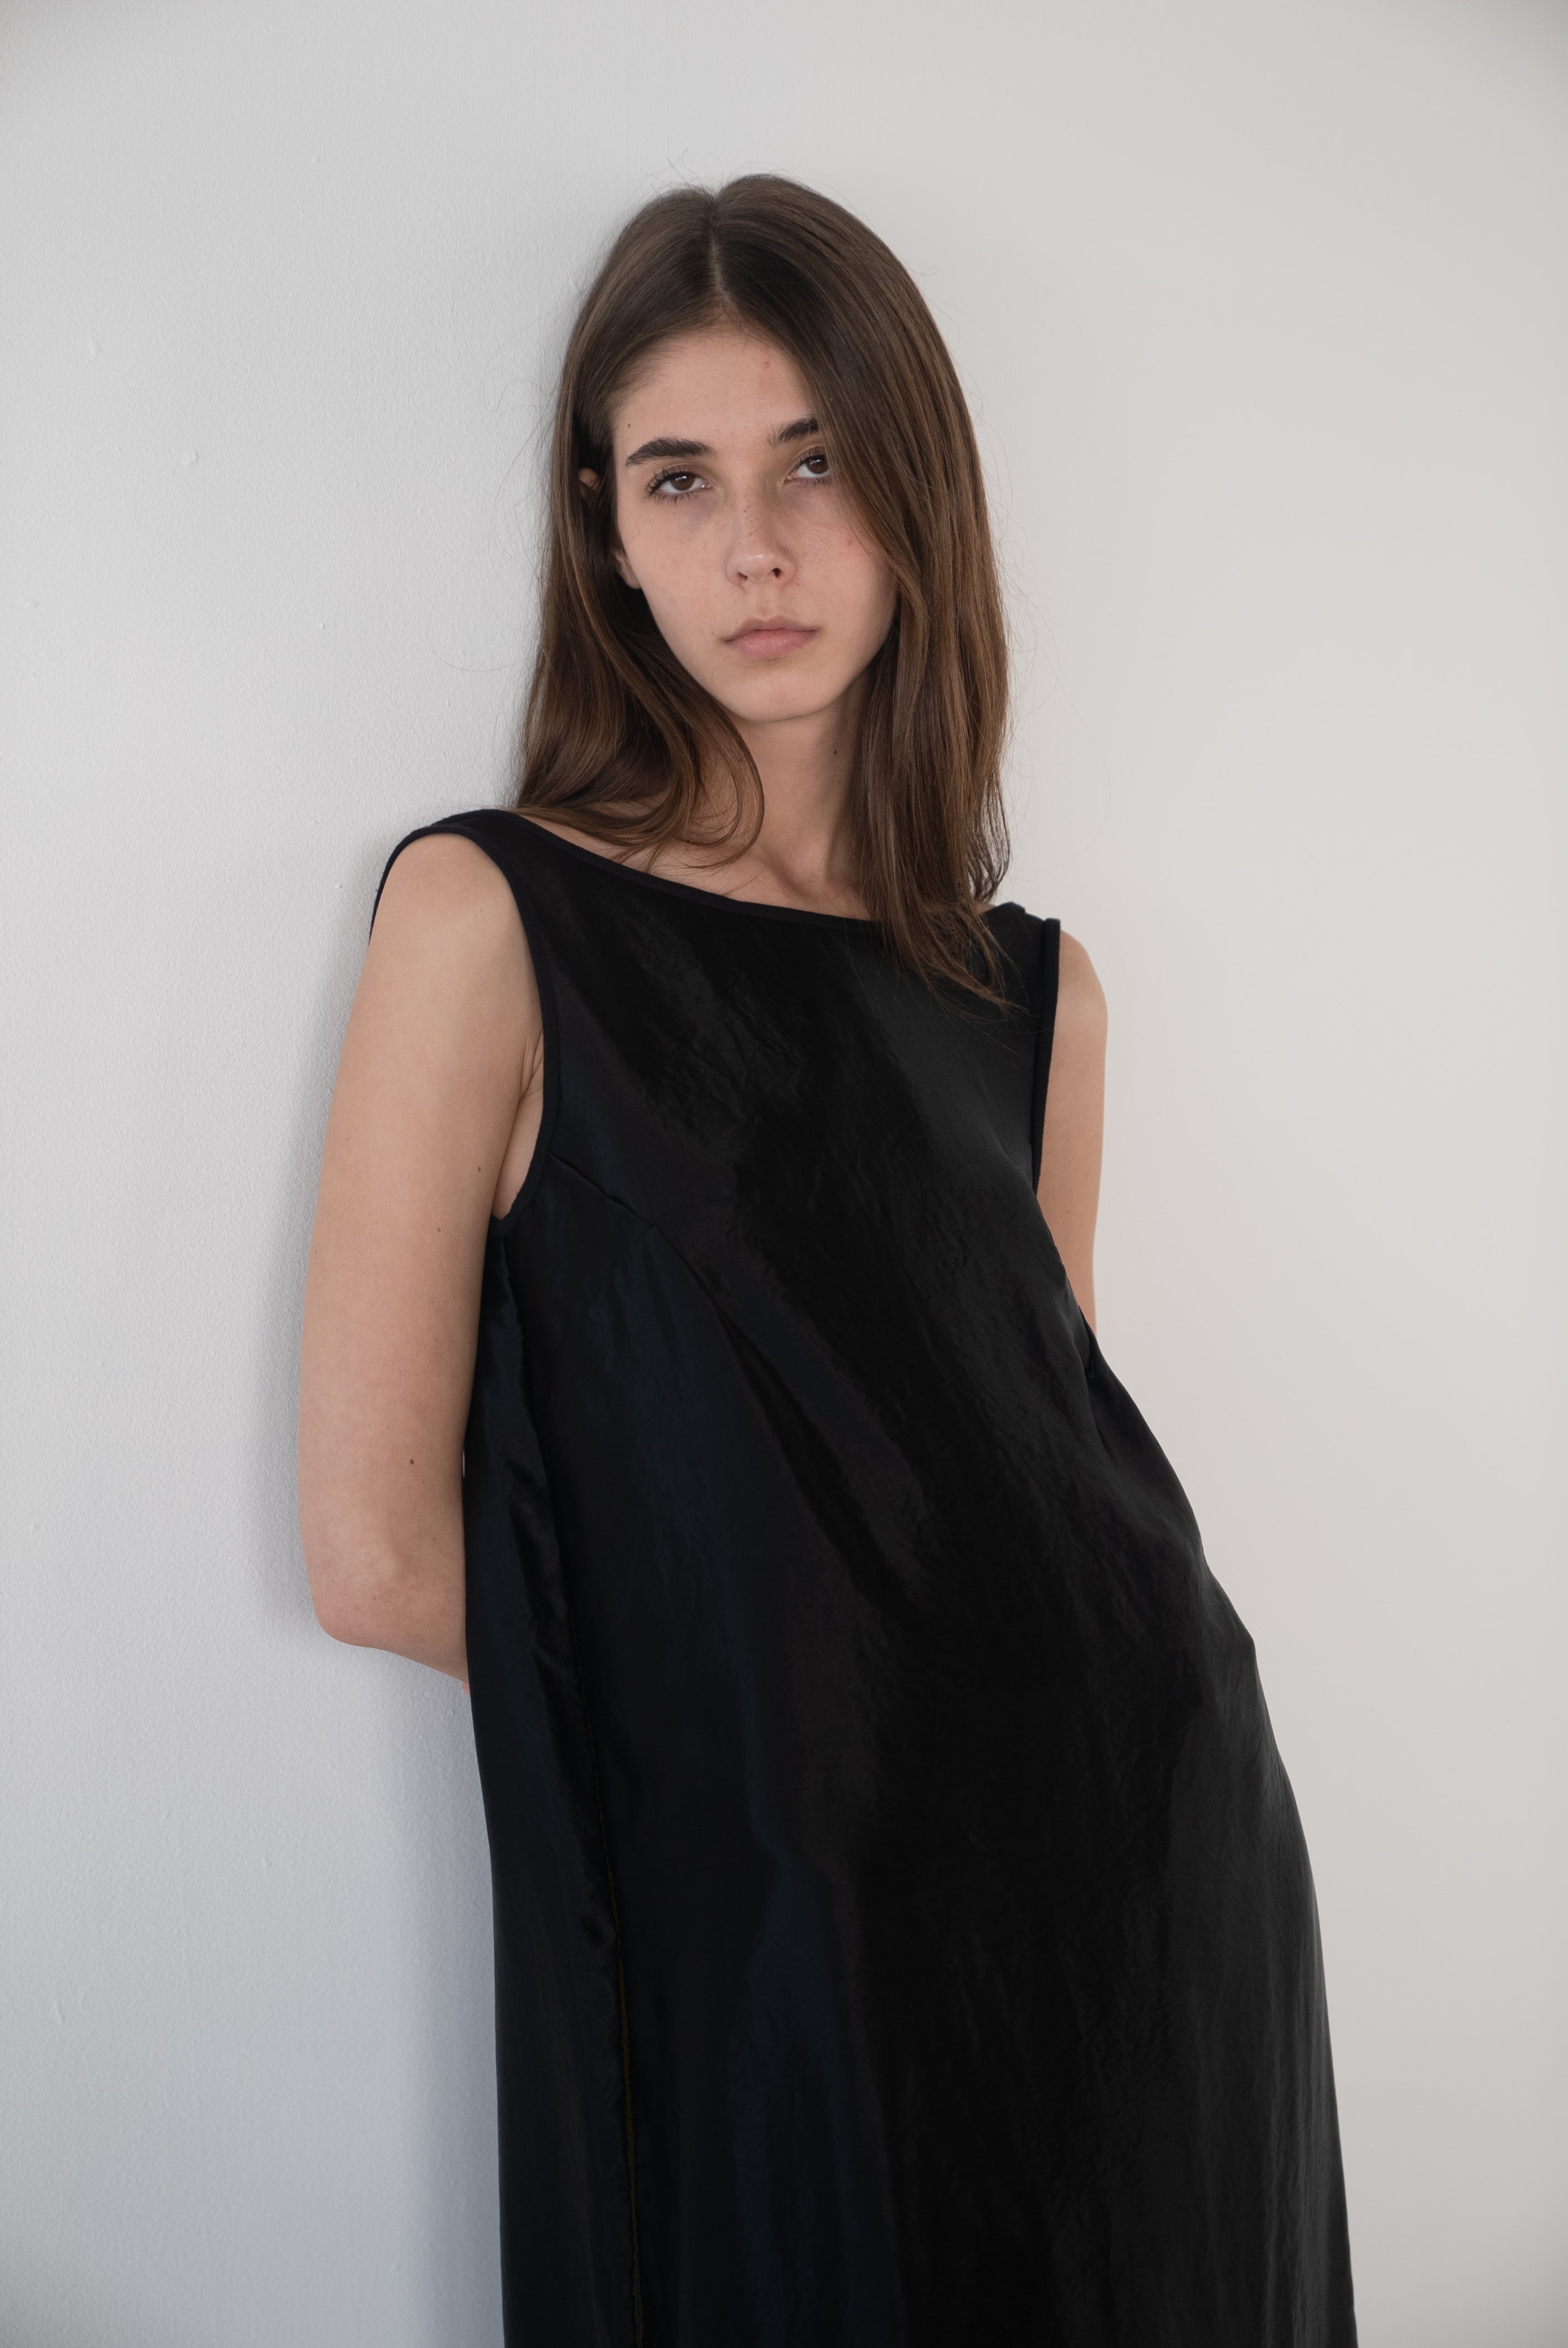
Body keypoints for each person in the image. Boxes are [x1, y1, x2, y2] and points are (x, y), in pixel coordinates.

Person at [298, 176, 1356, 2347]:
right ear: (606, 528)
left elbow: (1020, 1491)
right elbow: (379, 1556)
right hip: (777, 1908)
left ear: (915, 495)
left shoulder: (1035, 997)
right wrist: (788, 1767)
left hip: (1148, 1874)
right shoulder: (490, 919)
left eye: (816, 463)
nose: (756, 549)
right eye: (681, 478)